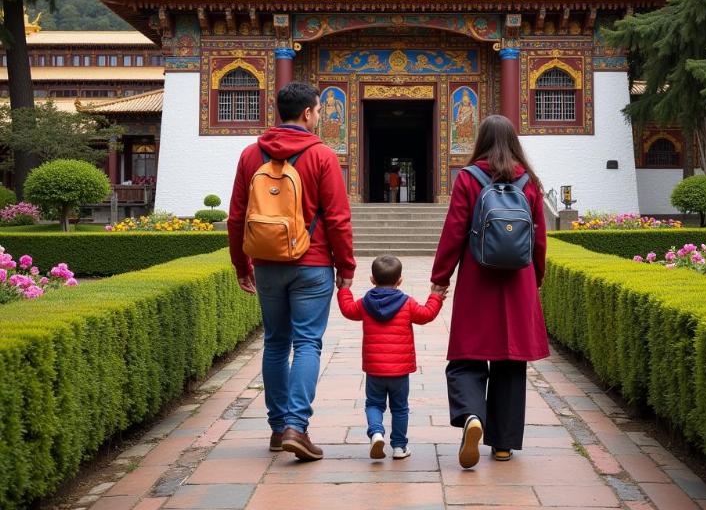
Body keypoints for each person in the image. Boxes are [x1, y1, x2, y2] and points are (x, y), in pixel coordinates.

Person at [228, 81, 356, 462]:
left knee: (275, 343)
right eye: (318, 111)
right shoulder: (322, 156)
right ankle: (296, 428)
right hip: (312, 263)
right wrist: (346, 266)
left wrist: (241, 264)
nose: (318, 116)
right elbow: (337, 217)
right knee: (307, 344)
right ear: (308, 114)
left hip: (266, 263)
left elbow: (237, 216)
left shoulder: (251, 155)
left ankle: (276, 427)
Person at [430, 114, 548, 468]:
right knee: (510, 362)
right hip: (518, 282)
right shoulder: (529, 182)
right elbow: (538, 239)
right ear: (514, 141)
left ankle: (471, 416)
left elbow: (454, 232)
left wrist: (441, 276)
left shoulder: (468, 179)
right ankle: (503, 445)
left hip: (478, 280)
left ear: (479, 140)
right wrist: (536, 276)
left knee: (467, 355)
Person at [337, 254, 446, 460]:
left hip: (374, 370)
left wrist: (344, 289)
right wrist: (436, 296)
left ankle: (377, 433)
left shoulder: (365, 303)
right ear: (400, 280)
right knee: (400, 408)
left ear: (372, 279)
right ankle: (398, 446)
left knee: (373, 404)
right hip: (400, 371)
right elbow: (426, 315)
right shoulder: (406, 303)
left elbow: (348, 310)